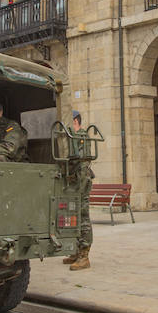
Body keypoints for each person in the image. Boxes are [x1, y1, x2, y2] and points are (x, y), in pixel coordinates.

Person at [61, 109, 93, 271]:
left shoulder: (81, 136)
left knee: (82, 216)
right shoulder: (73, 137)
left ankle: (84, 256)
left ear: (75, 121)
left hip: (81, 181)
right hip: (74, 180)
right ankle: (75, 251)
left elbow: (80, 162)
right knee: (72, 216)